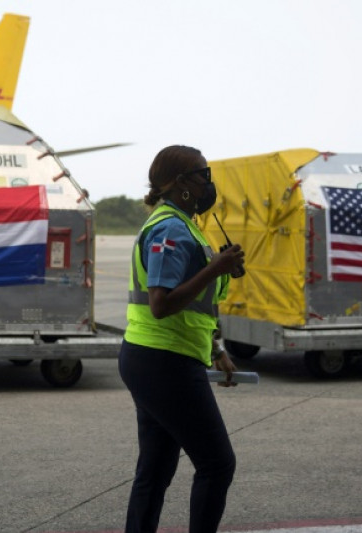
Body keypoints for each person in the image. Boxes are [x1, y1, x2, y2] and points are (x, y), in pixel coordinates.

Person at [118, 145, 245, 533]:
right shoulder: (170, 229)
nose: (209, 182)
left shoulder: (183, 224)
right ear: (180, 184)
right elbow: (161, 304)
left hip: (154, 358)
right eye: (202, 174)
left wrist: (216, 348)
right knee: (217, 464)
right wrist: (216, 268)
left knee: (156, 468)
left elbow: (197, 305)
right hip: (164, 362)